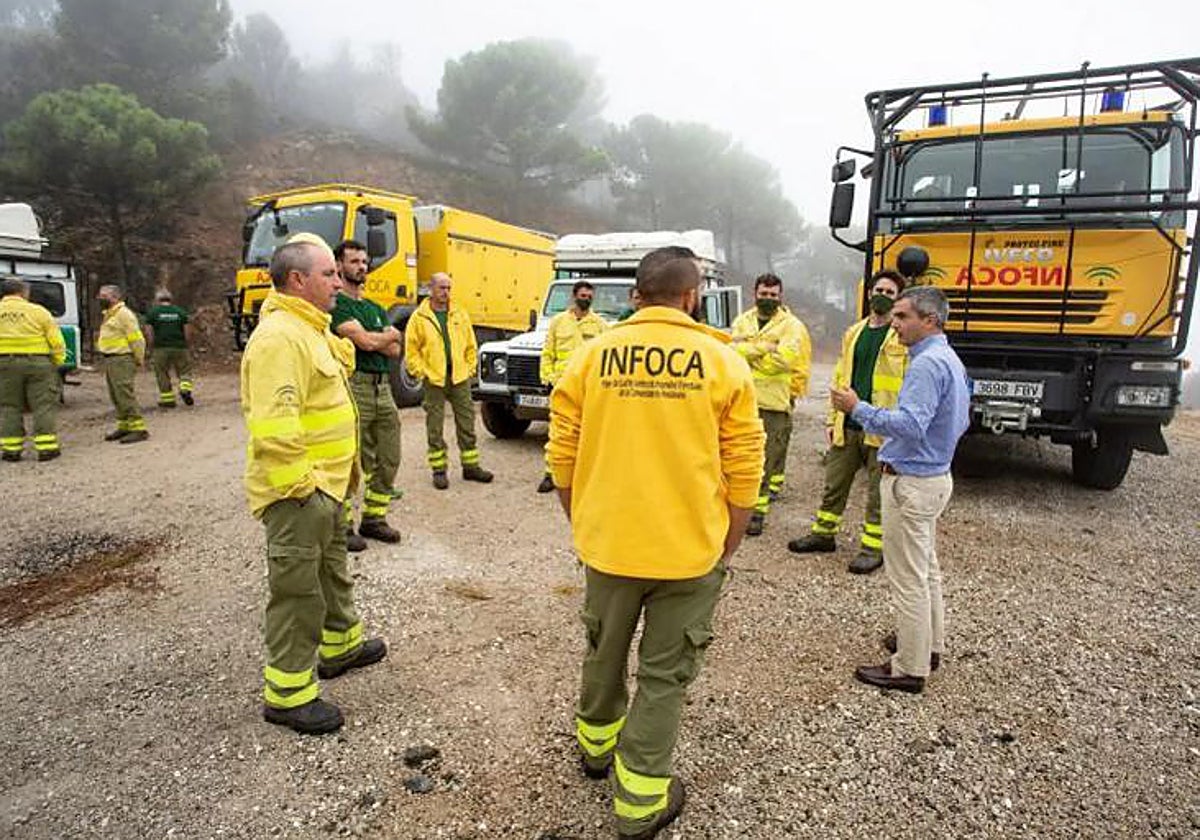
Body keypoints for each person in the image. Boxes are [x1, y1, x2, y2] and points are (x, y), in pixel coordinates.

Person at [548, 250, 764, 840]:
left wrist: (584, 521)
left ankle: (596, 751)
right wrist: (730, 540)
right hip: (689, 551)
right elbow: (746, 465)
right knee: (664, 676)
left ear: (637, 294)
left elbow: (561, 453)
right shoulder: (723, 361)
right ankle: (640, 803)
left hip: (609, 545)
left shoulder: (592, 356)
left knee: (603, 651)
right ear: (692, 297)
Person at [241, 236, 388, 735]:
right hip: (300, 493)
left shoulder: (310, 329)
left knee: (331, 572)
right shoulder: (279, 337)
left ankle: (341, 645)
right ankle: (288, 694)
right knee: (297, 591)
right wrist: (304, 490)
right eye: (328, 274)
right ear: (298, 280)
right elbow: (275, 429)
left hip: (326, 490)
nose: (338, 282)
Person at [829, 285, 970, 694]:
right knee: (926, 571)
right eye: (895, 316)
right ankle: (928, 646)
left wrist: (857, 409)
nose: (895, 323)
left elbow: (910, 424)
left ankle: (909, 668)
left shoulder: (927, 365)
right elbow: (960, 421)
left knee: (909, 578)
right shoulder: (948, 358)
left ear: (930, 320)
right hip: (933, 477)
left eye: (903, 316)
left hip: (912, 482)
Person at [787, 270, 907, 574]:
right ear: (868, 293)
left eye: (890, 292)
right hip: (848, 422)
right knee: (834, 484)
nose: (882, 295)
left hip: (882, 427)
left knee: (877, 493)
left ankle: (872, 548)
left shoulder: (902, 336)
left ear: (898, 300)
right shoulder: (854, 332)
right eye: (878, 289)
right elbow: (841, 376)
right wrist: (832, 418)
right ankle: (823, 534)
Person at [330, 240, 403, 547]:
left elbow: (395, 349)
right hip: (355, 384)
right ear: (338, 267)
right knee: (351, 455)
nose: (362, 266)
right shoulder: (338, 306)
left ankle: (374, 519)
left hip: (382, 386)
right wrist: (385, 336)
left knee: (390, 454)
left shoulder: (374, 308)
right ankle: (343, 526)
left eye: (364, 261)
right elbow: (368, 344)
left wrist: (380, 339)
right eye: (354, 261)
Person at [730, 273, 811, 536]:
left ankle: (757, 514)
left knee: (766, 459)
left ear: (780, 296)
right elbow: (732, 350)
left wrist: (750, 352)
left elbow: (784, 359)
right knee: (741, 455)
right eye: (763, 294)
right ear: (755, 293)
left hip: (774, 402)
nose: (768, 299)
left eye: (773, 295)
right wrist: (765, 347)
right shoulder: (743, 320)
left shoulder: (792, 325)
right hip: (743, 399)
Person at [404, 271, 493, 489]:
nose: (446, 292)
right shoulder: (419, 317)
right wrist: (421, 372)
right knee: (434, 426)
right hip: (434, 379)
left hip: (459, 377)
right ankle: (439, 470)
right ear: (431, 289)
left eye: (449, 288)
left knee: (467, 422)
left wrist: (470, 368)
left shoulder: (459, 313)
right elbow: (411, 350)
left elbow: (471, 344)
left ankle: (470, 467)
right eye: (442, 288)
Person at [537, 280, 608, 493]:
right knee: (558, 432)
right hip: (561, 385)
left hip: (588, 387)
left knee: (588, 432)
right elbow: (548, 352)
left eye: (589, 297)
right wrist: (547, 377)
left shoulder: (599, 325)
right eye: (583, 296)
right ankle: (551, 475)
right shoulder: (558, 322)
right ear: (574, 296)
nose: (585, 299)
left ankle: (583, 476)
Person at [0, 278, 67, 461]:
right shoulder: (38, 312)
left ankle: (11, 450)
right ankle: (47, 448)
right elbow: (56, 341)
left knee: (9, 406)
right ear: (23, 292)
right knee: (43, 405)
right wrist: (58, 362)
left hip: (4, 364)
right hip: (38, 363)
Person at [95, 284, 149, 443]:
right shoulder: (110, 314)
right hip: (111, 359)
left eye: (104, 296)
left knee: (124, 394)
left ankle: (139, 429)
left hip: (122, 358)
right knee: (115, 395)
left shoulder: (124, 314)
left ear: (115, 297)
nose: (100, 299)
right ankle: (124, 426)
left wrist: (139, 358)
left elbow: (137, 339)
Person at [143, 288, 195, 408]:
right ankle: (185, 389)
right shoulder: (180, 312)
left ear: (157, 299)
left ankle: (168, 399)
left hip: (160, 348)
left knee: (162, 373)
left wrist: (151, 346)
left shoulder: (152, 313)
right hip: (179, 347)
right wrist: (186, 344)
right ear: (170, 299)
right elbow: (187, 331)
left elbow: (149, 332)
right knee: (184, 370)